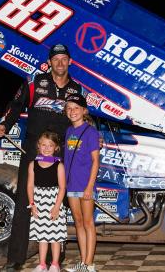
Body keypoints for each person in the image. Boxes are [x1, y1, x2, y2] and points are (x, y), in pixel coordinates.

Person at [0, 44, 83, 271]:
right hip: (34, 151)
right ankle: (15, 259)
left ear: (70, 62)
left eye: (64, 59)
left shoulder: (76, 89)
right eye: (56, 59)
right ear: (49, 62)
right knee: (25, 200)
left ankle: (56, 260)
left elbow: (81, 119)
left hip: (61, 153)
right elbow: (15, 106)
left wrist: (92, 136)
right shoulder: (34, 82)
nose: (60, 63)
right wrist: (5, 124)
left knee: (59, 204)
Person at [63, 94, 100, 272]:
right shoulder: (69, 131)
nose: (72, 111)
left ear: (84, 111)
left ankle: (89, 264)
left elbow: (95, 162)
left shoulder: (91, 132)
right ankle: (83, 262)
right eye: (69, 108)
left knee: (88, 223)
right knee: (77, 223)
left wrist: (89, 187)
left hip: (86, 186)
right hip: (72, 185)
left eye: (76, 108)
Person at [28, 131, 67, 272]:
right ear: (38, 145)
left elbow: (62, 187)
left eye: (50, 145)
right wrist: (32, 204)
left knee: (55, 236)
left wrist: (57, 207)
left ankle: (55, 264)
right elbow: (30, 186)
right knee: (42, 236)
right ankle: (42, 264)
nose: (46, 148)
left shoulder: (59, 165)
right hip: (38, 202)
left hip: (54, 201)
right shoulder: (33, 164)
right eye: (43, 145)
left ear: (56, 147)